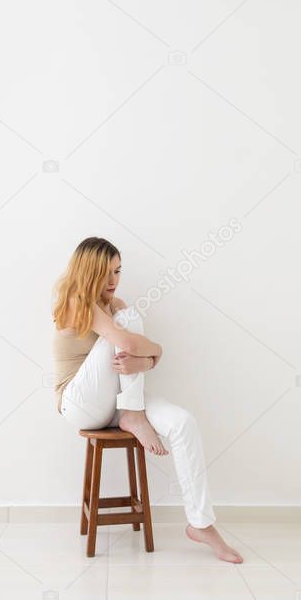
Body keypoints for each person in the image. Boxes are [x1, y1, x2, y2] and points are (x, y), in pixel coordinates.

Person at [51, 237, 242, 563]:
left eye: (118, 271)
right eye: (106, 273)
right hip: (79, 403)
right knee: (128, 323)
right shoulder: (76, 301)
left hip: (117, 401)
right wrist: (148, 356)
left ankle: (201, 524)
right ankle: (133, 415)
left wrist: (148, 359)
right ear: (88, 272)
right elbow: (128, 341)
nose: (114, 281)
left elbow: (152, 351)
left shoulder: (116, 305)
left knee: (183, 423)